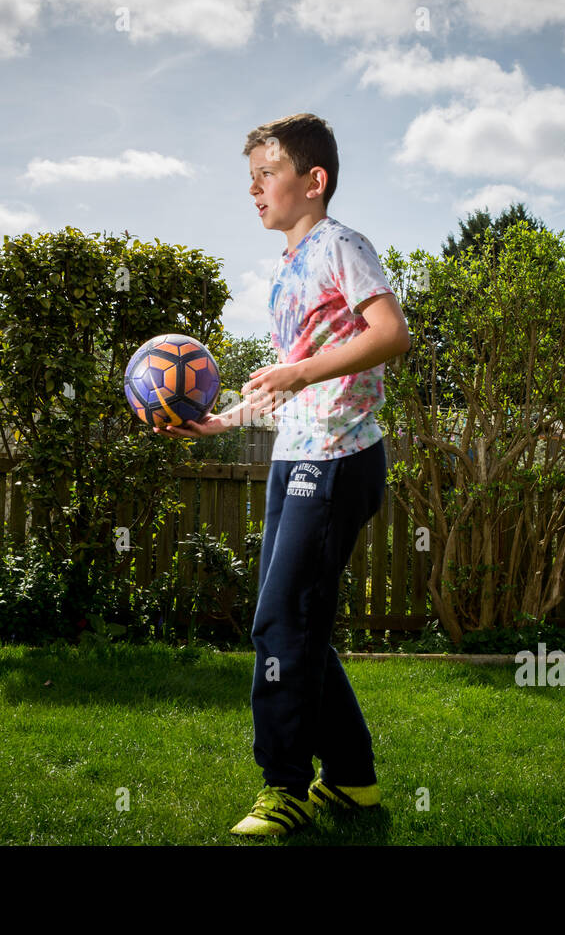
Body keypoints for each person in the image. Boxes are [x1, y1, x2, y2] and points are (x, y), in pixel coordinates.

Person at [156, 112, 411, 837]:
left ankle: (285, 786)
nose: (254, 189)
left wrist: (298, 369)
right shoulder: (289, 269)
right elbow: (286, 385)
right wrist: (223, 421)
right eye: (251, 178)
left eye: (266, 175)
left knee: (278, 625)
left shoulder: (340, 246)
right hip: (296, 455)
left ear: (313, 180)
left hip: (336, 461)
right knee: (296, 625)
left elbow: (390, 334)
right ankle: (354, 783)